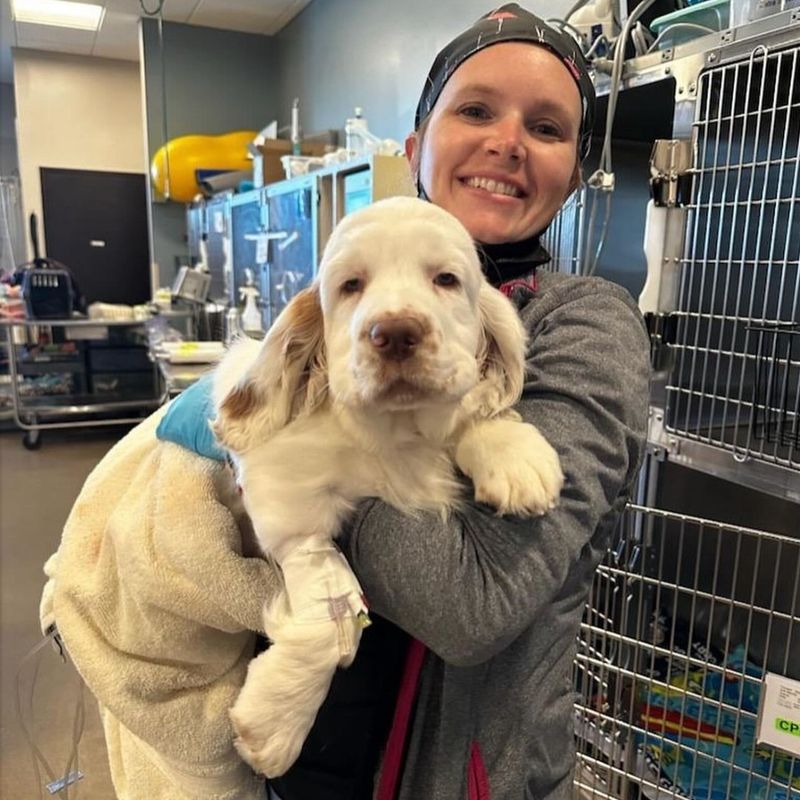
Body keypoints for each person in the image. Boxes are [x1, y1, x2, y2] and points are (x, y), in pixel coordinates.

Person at [39, 5, 650, 800]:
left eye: (546, 126)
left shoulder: (583, 323)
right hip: (296, 756)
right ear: (414, 147)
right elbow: (248, 430)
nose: (506, 140)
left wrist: (458, 431)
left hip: (456, 777)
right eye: (474, 110)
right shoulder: (311, 334)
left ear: (573, 170)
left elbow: (469, 606)